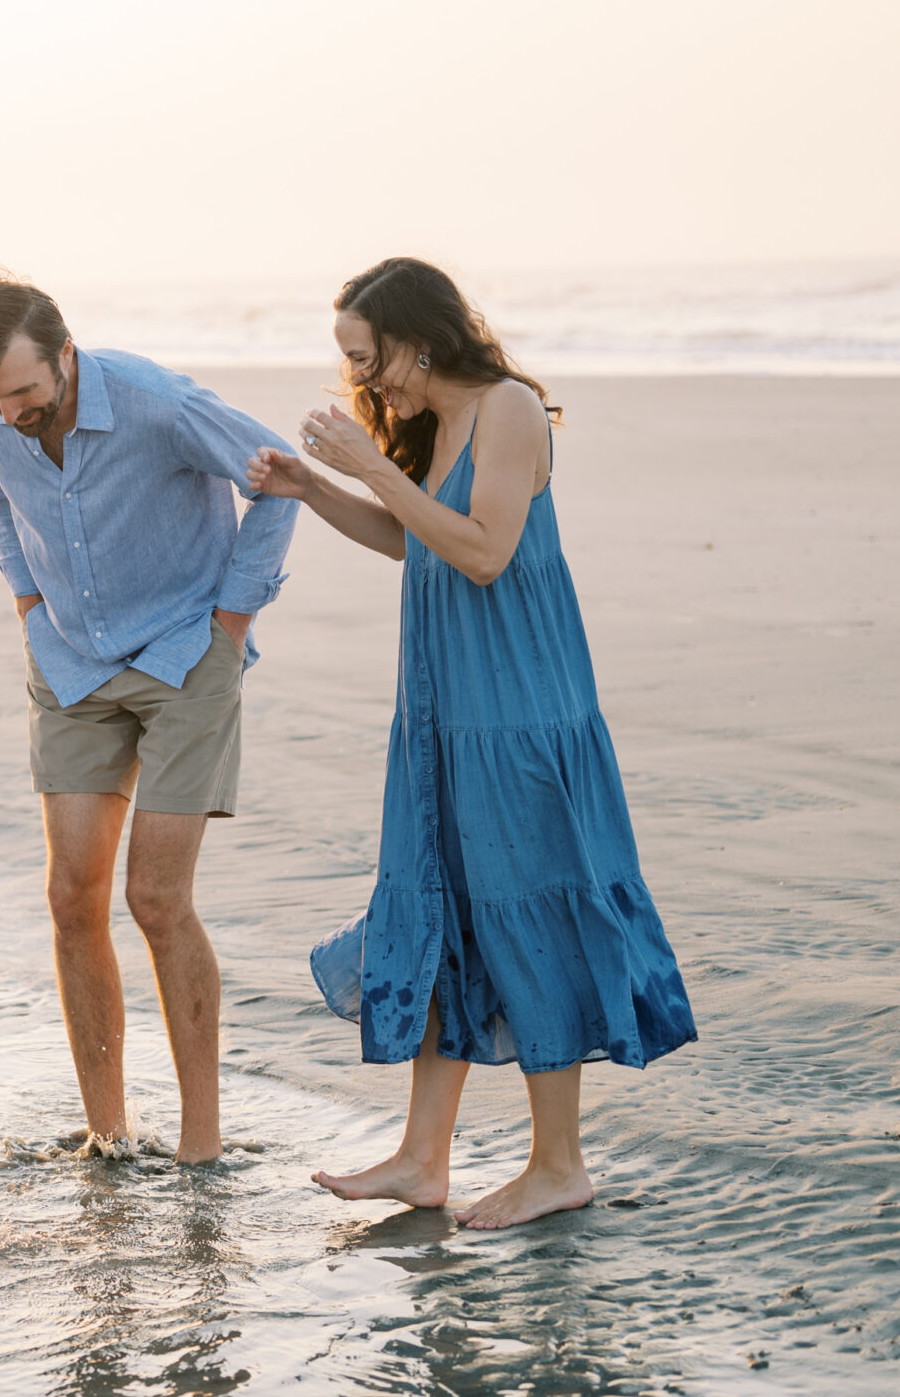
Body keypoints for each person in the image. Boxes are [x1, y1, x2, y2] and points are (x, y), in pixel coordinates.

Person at [247, 257, 696, 1228]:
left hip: (520, 713)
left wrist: (366, 467)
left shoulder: (507, 411)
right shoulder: (435, 425)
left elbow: (484, 550)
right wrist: (313, 487)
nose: (365, 382)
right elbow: (421, 540)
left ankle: (558, 1162)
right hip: (445, 713)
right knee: (443, 913)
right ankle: (420, 1158)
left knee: (528, 912)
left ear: (418, 335)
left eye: (369, 359)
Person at [0, 276, 297, 1164]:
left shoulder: (158, 403)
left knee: (155, 897)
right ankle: (106, 1132)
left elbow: (280, 479)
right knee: (72, 898)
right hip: (68, 658)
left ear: (66, 355)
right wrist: (26, 597)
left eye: (25, 392)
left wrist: (234, 619)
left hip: (186, 651)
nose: (10, 411)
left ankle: (201, 1142)